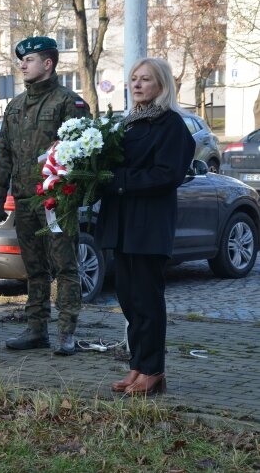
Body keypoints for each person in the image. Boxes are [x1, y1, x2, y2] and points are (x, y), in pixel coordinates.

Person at [96, 57, 195, 395]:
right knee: (128, 297)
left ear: (161, 86)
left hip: (148, 225)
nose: (137, 84)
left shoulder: (171, 126)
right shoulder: (129, 123)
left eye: (146, 79)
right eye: (134, 79)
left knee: (147, 300)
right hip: (122, 223)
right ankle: (138, 366)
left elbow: (168, 175)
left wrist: (118, 180)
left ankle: (154, 371)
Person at [0, 36, 91, 356]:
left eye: (29, 60)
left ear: (47, 64)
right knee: (33, 268)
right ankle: (36, 329)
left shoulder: (68, 103)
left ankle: (66, 332)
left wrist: (72, 194)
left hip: (55, 201)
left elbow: (81, 155)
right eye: (22, 60)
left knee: (64, 266)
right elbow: (4, 150)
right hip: (24, 198)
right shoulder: (15, 105)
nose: (22, 65)